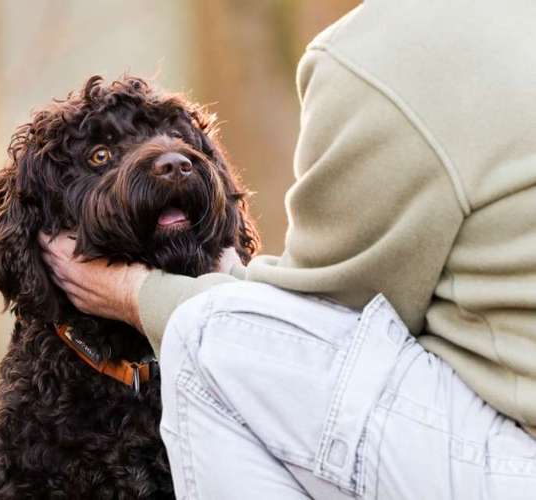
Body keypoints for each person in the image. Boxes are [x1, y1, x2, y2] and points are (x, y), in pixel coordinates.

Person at [40, 1, 536, 498]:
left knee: (203, 330)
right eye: (102, 157)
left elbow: (333, 315)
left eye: (172, 139)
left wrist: (143, 295)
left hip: (511, 458)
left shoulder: (376, 53)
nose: (168, 162)